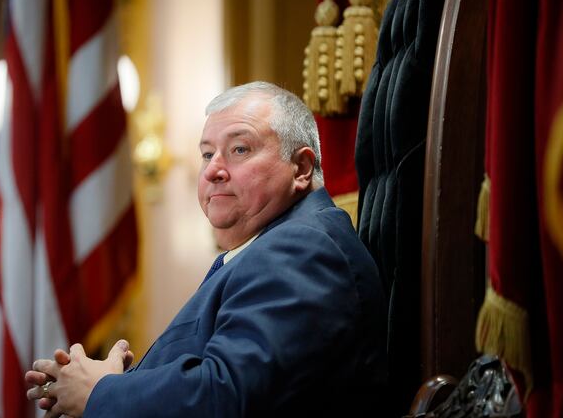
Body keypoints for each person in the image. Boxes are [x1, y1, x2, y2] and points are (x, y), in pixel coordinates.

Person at [25, 81, 388, 417]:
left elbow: (227, 394)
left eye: (239, 149)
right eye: (207, 153)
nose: (213, 170)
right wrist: (118, 382)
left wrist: (99, 393)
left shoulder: (302, 249)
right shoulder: (270, 247)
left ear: (302, 168)